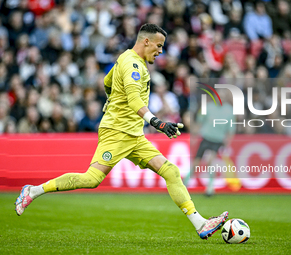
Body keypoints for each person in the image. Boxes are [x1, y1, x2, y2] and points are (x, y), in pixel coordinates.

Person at [15, 24, 228, 240]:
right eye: (159, 45)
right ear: (146, 41)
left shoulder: (125, 59)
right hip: (117, 132)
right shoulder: (133, 64)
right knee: (91, 179)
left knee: (171, 171)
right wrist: (157, 122)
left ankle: (200, 223)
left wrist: (113, 99)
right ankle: (33, 191)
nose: (161, 51)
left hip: (134, 134)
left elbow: (107, 82)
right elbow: (134, 99)